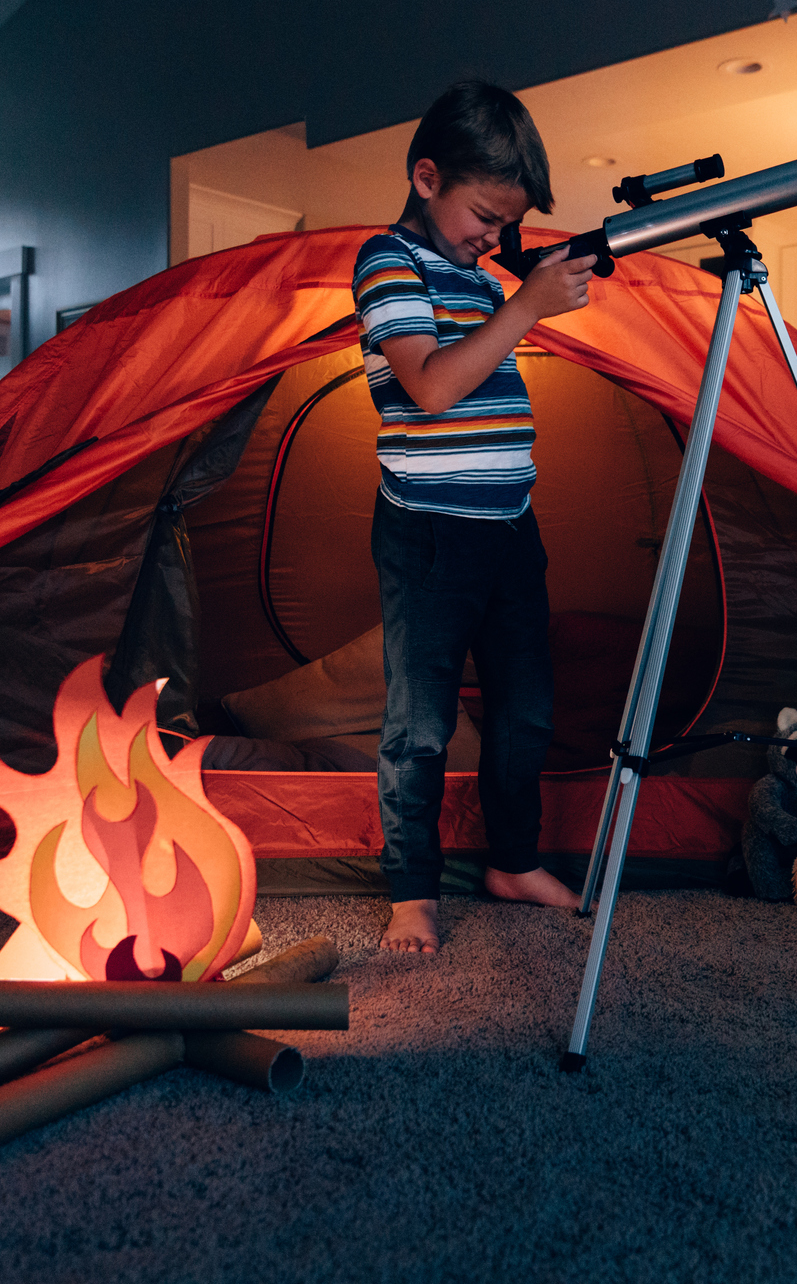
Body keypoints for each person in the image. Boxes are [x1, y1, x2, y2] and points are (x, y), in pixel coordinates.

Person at [351, 80, 597, 954]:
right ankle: (412, 890)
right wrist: (524, 304)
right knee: (418, 724)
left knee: (524, 709)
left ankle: (513, 859)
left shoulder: (481, 275)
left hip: (508, 528)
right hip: (427, 532)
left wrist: (520, 284)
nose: (492, 236)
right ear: (426, 177)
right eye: (483, 215)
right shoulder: (389, 262)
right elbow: (430, 387)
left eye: (505, 224)